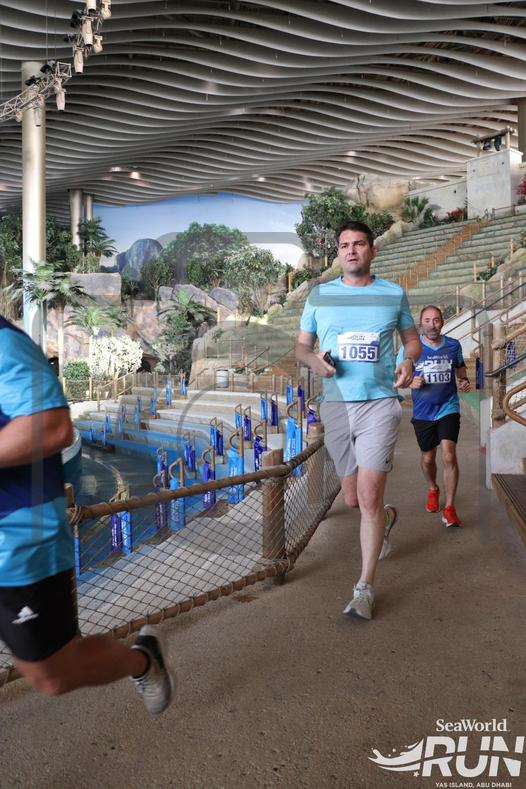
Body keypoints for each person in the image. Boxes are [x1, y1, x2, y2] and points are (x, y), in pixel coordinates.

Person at [0, 315, 175, 712]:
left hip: (18, 543)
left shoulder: (5, 345)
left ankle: (143, 658)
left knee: (52, 674)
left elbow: (52, 427)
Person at [296, 221, 421, 621]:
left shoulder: (393, 293)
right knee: (352, 498)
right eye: (344, 245)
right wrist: (315, 362)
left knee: (367, 497)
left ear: (372, 251)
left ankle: (364, 587)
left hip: (380, 403)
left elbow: (412, 340)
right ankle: (386, 517)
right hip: (336, 405)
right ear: (338, 253)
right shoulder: (320, 295)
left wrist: (408, 361)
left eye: (359, 244)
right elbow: (302, 349)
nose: (351, 250)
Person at [396, 305, 470, 528]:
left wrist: (464, 380)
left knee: (449, 455)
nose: (432, 325)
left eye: (436, 320)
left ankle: (450, 508)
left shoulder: (453, 345)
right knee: (428, 458)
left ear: (442, 322)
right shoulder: (410, 349)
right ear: (421, 324)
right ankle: (432, 488)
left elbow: (460, 367)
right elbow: (397, 378)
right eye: (427, 320)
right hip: (423, 412)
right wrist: (411, 382)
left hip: (448, 407)